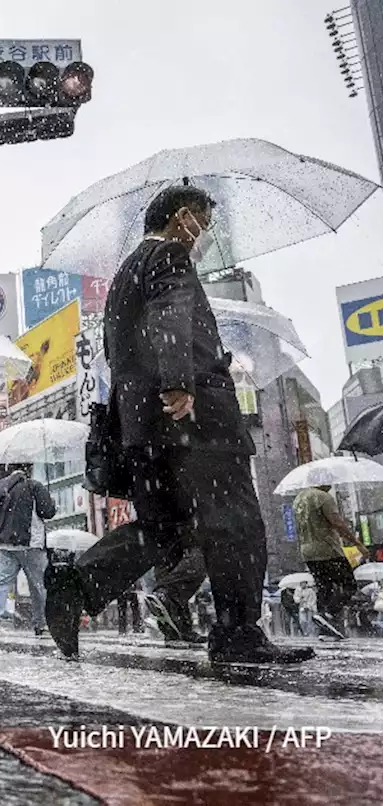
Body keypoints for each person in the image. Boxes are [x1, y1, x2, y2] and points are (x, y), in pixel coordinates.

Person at [46, 185, 314, 664]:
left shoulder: (127, 272)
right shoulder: (169, 256)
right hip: (193, 421)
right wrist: (178, 381)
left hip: (145, 426)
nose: (203, 236)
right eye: (204, 225)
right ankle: (238, 634)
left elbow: (121, 352)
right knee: (235, 522)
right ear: (183, 217)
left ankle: (78, 585)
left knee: (163, 527)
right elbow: (168, 312)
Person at [0, 464, 54, 638]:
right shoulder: (34, 486)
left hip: (4, 544)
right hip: (30, 543)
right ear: (28, 469)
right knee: (39, 584)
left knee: (1, 582)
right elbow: (47, 512)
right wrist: (51, 502)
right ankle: (41, 623)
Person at [294, 484, 367, 640]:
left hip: (307, 550)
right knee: (349, 585)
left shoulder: (299, 499)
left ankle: (325, 628)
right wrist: (357, 543)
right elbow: (337, 523)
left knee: (323, 586)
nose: (331, 484)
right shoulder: (323, 498)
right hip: (327, 549)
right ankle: (329, 614)